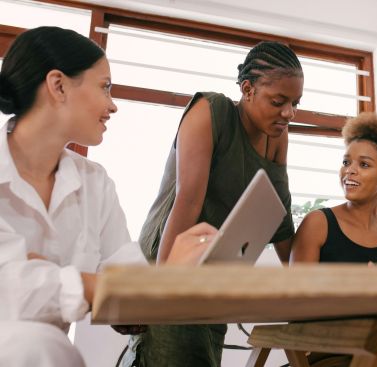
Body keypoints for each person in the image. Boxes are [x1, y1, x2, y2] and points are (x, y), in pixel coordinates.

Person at [0, 26, 216, 367]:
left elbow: (129, 297)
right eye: (105, 87)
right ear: (58, 86)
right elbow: (12, 290)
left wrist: (167, 280)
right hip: (36, 353)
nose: (112, 105)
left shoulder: (95, 183)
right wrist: (101, 287)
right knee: (35, 343)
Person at [128, 41, 303, 367]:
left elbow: (280, 215)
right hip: (170, 260)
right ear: (248, 90)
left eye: (295, 103)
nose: (289, 113)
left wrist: (307, 279)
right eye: (279, 101)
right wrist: (159, 290)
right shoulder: (210, 111)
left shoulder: (277, 135)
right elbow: (187, 202)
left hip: (216, 271)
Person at [290, 113, 377, 356]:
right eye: (346, 162)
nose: (349, 171)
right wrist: (365, 293)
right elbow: (295, 310)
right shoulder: (317, 224)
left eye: (364, 164)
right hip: (330, 358)